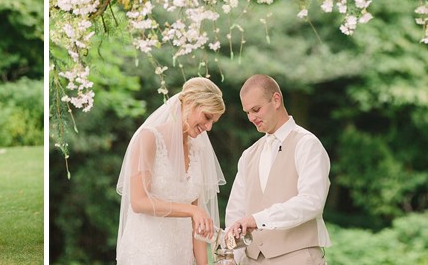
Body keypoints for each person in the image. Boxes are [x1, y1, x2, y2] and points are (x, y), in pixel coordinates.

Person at [116, 77, 227, 265]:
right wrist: (191, 210)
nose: (209, 127)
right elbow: (139, 202)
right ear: (190, 103)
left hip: (181, 256)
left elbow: (196, 224)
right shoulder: (149, 138)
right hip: (146, 254)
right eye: (207, 117)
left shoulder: (198, 151)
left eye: (213, 121)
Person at [226, 74, 331, 264]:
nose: (251, 118)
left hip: (297, 257)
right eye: (247, 112)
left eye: (256, 109)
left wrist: (257, 219)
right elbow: (235, 212)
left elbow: (312, 201)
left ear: (276, 100)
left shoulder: (307, 144)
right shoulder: (248, 155)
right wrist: (235, 256)